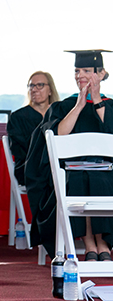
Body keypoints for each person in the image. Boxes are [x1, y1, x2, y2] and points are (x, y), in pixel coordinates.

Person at [27, 50, 113, 260]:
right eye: (76, 71)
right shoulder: (64, 106)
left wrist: (96, 99)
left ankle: (103, 243)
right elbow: (58, 136)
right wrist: (80, 105)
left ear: (100, 74)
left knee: (99, 179)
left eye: (86, 70)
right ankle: (90, 243)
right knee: (78, 179)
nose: (79, 75)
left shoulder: (109, 105)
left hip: (106, 171)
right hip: (72, 172)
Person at [6, 71, 59, 186]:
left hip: (54, 165)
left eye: (40, 85)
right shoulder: (18, 117)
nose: (34, 89)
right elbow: (20, 151)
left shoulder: (58, 115)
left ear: (50, 90)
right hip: (29, 168)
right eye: (31, 86)